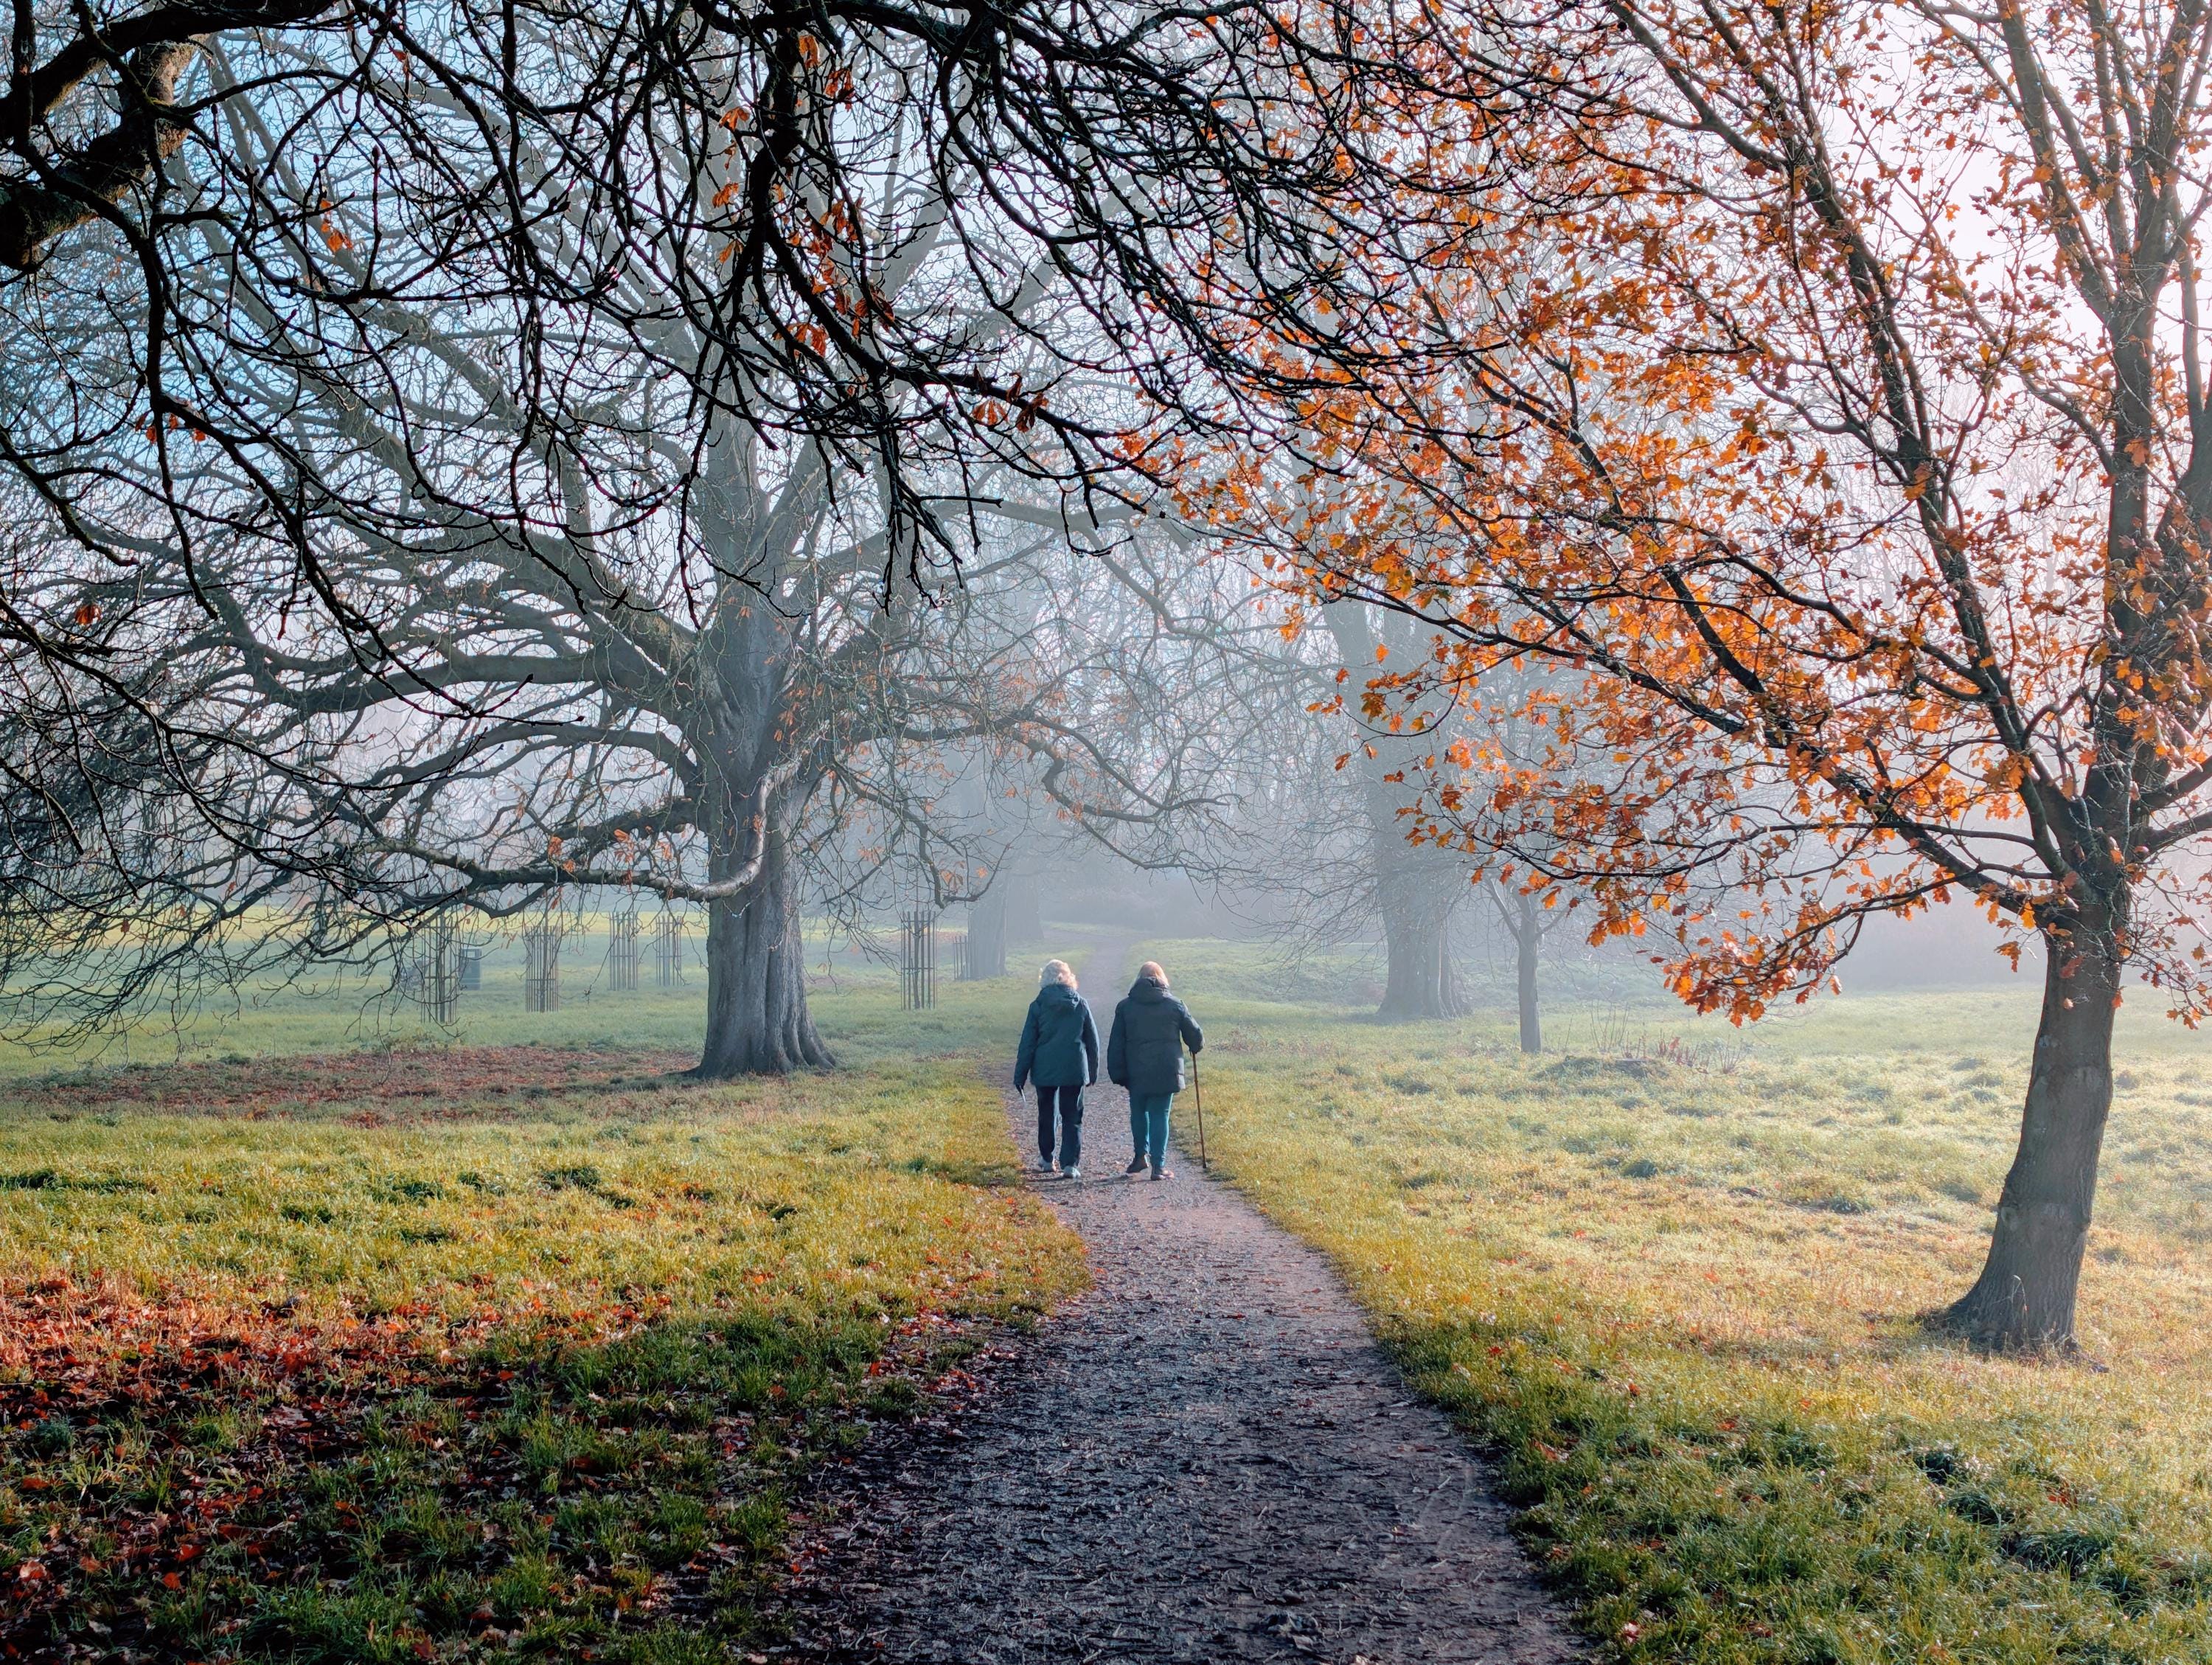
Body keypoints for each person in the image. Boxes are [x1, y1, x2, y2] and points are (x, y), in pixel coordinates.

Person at [1106, 959, 1203, 1180]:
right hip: (1166, 1070)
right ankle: (1159, 1167)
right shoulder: (1175, 1005)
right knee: (1160, 1113)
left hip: (1136, 1070)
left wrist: (1117, 1071)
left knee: (1139, 1112)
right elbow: (1195, 1035)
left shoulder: (1125, 1007)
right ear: (1162, 979)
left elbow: (1116, 1043)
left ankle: (1141, 1156)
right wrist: (1195, 1046)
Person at [1013, 959, 1101, 1180]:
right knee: (1072, 1115)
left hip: (1045, 1067)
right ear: (1068, 977)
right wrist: (1092, 1070)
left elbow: (1028, 1043)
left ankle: (1046, 1158)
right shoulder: (1080, 1003)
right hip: (1074, 1067)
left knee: (1046, 1112)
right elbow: (1092, 1040)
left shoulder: (1038, 1005)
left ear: (1045, 978)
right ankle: (1070, 1164)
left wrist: (1020, 1074)